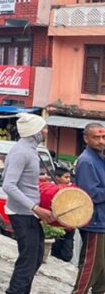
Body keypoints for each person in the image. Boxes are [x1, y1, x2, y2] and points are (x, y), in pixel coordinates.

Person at [1, 113, 54, 294]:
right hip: (23, 213)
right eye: (43, 128)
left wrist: (35, 178)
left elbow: (6, 176)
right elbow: (7, 185)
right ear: (35, 132)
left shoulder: (26, 150)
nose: (46, 131)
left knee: (36, 257)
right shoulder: (22, 152)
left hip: (27, 213)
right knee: (28, 260)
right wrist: (36, 208)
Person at [72, 122, 105, 294]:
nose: (101, 141)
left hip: (103, 221)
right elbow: (89, 194)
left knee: (102, 271)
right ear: (86, 138)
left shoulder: (100, 157)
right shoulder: (86, 161)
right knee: (90, 266)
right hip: (95, 222)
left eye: (103, 137)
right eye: (96, 137)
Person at [50, 166, 75, 263]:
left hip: (69, 225)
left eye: (69, 177)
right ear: (57, 177)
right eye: (66, 177)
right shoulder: (50, 188)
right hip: (55, 225)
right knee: (54, 251)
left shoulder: (71, 188)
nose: (68, 180)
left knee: (67, 254)